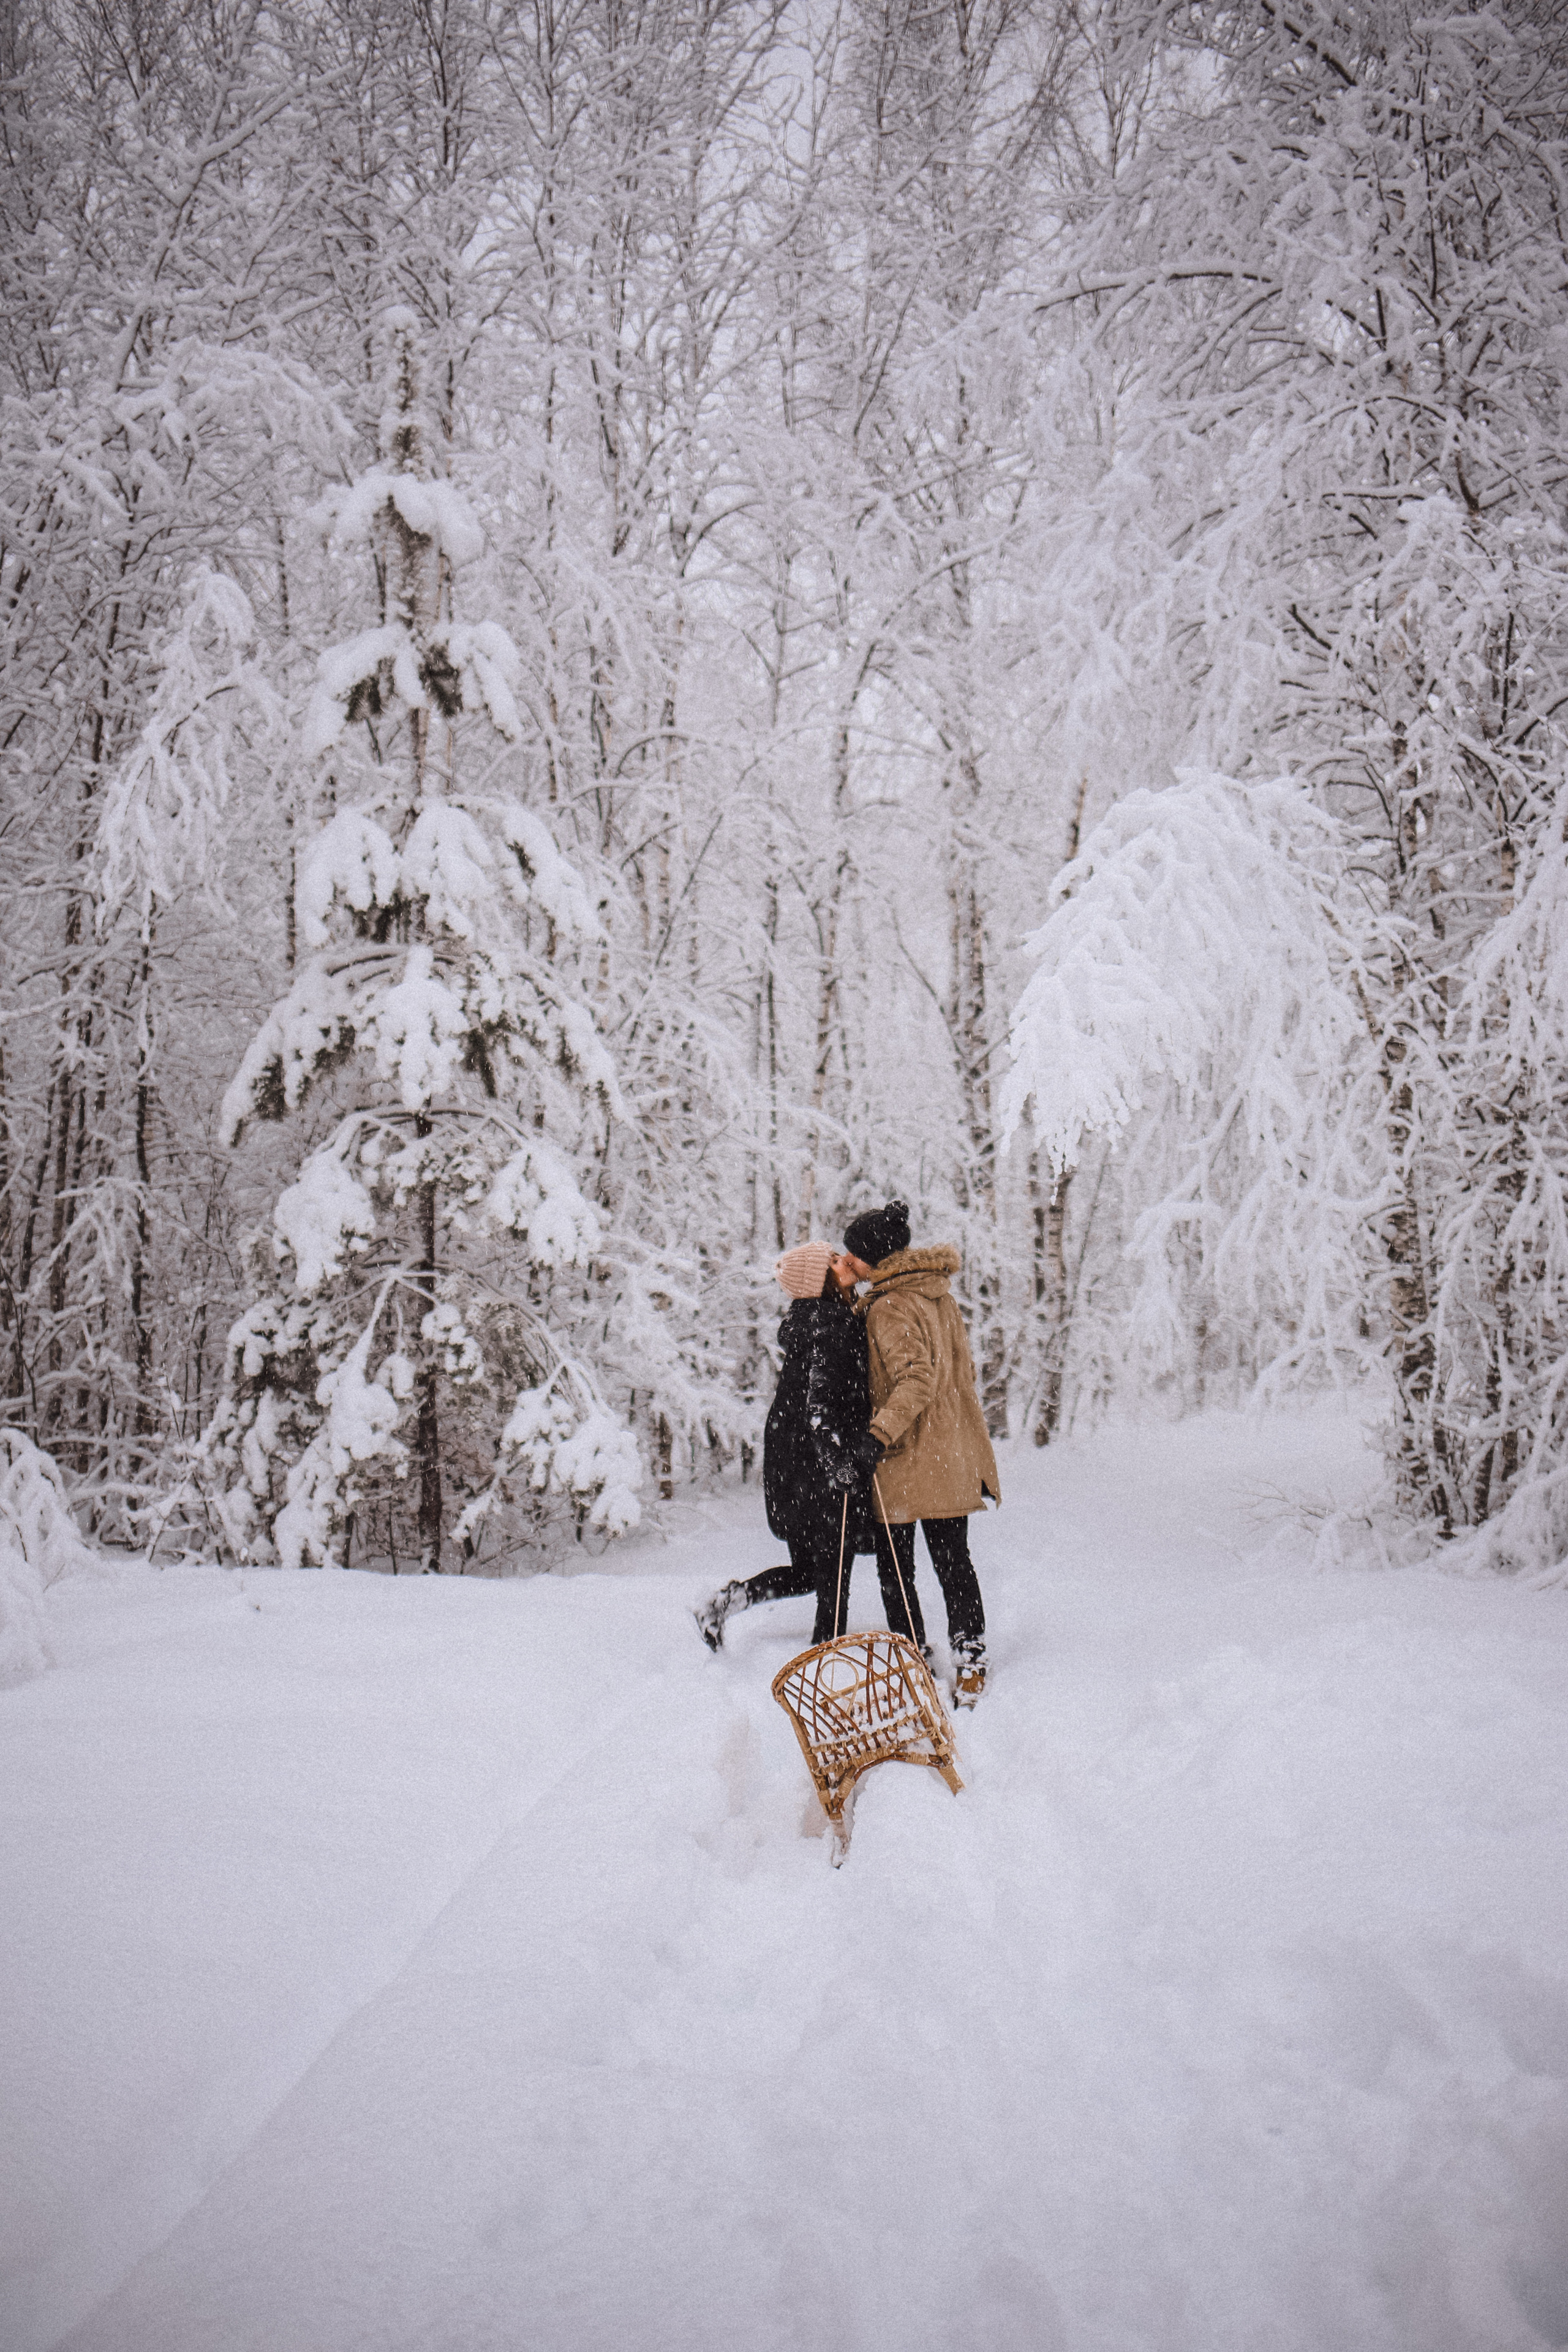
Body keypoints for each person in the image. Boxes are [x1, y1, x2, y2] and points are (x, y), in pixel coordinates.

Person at [840, 1198, 1000, 1706]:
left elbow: (917, 1379)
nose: (849, 1262)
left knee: (896, 1568)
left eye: (853, 1254)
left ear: (875, 1257)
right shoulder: (938, 1294)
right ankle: (971, 1657)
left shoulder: (888, 1306)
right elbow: (957, 1374)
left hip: (905, 1458)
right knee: (954, 1562)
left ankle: (913, 1660)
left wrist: (876, 1435)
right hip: (950, 1452)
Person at [694, 1241, 880, 1653]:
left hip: (795, 1454)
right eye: (834, 1261)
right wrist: (837, 1459)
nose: (845, 1261)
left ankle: (724, 1604)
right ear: (820, 1282)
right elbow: (820, 1405)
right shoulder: (829, 1325)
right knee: (833, 1560)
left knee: (811, 1571)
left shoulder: (817, 1319)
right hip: (815, 1459)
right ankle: (827, 1653)